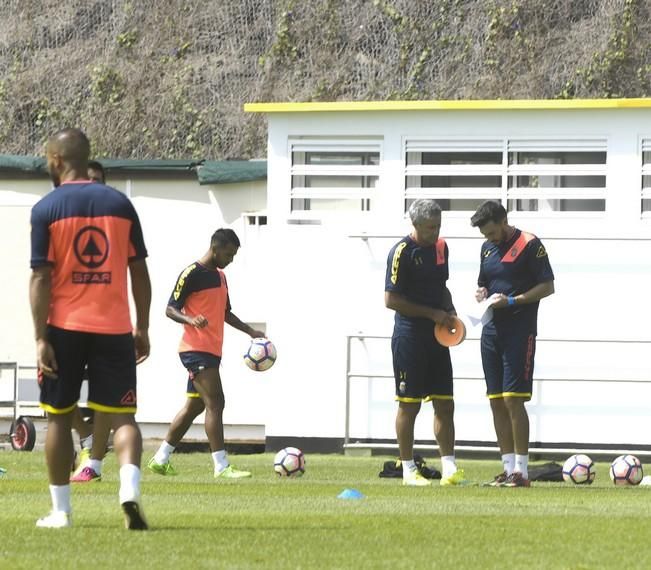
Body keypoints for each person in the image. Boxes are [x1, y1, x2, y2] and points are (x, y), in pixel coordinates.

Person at [30, 128, 151, 529]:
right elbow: (139, 272)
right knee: (123, 417)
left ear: (57, 159)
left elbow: (41, 278)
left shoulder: (46, 208)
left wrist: (40, 337)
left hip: (64, 327)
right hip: (114, 326)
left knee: (59, 418)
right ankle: (129, 489)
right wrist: (142, 327)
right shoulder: (120, 204)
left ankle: (61, 512)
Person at [148, 229, 265, 479]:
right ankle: (221, 466)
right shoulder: (192, 273)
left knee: (195, 406)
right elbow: (170, 309)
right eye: (229, 254)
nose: (231, 259)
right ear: (215, 248)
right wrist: (190, 319)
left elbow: (225, 312)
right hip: (195, 350)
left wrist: (249, 331)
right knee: (217, 402)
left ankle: (160, 458)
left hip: (211, 351)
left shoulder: (221, 277)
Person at [384, 199, 469, 486]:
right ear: (416, 224)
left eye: (438, 226)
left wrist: (451, 312)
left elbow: (442, 287)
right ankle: (408, 470)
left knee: (445, 404)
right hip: (409, 338)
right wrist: (433, 313)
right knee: (410, 405)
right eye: (430, 227)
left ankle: (450, 469)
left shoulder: (442, 248)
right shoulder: (401, 253)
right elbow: (391, 300)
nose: (435, 233)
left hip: (437, 339)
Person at [470, 200, 554, 488]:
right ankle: (507, 469)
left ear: (504, 220)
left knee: (512, 399)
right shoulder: (486, 249)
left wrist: (514, 301)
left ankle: (522, 471)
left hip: (520, 331)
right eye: (486, 235)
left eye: (493, 232)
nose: (490, 238)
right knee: (495, 401)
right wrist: (482, 292)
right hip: (490, 330)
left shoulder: (530, 244)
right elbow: (485, 283)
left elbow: (548, 285)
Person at [70, 159, 114, 483]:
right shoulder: (61, 219)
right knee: (55, 395)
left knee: (105, 397)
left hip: (107, 324)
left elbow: (135, 272)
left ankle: (93, 464)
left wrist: (139, 326)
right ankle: (86, 438)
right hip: (67, 322)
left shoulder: (117, 221)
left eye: (97, 181)